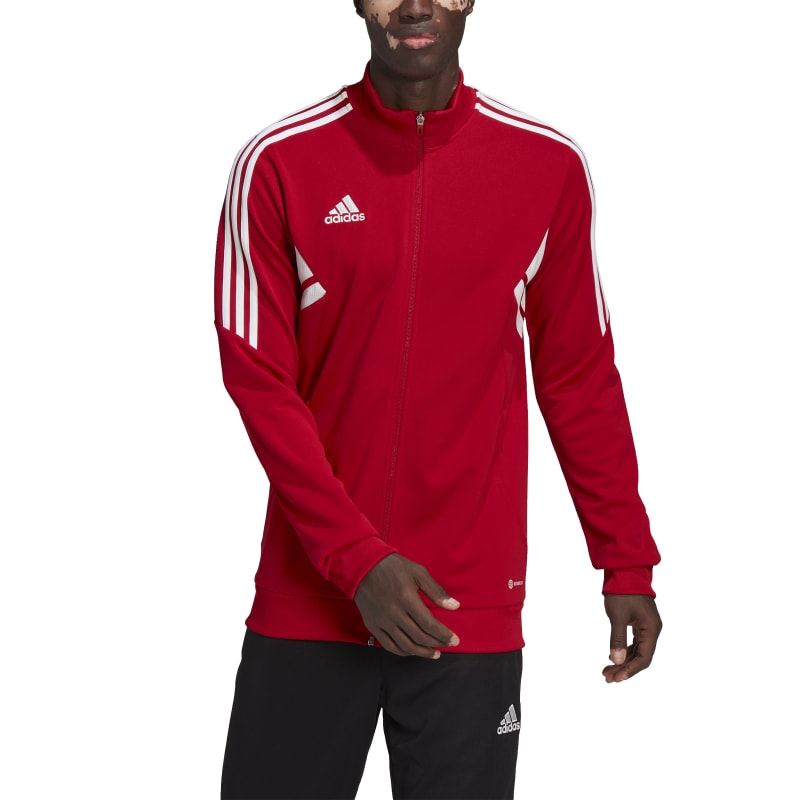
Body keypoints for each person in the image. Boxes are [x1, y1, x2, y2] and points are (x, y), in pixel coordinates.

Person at [214, 1, 662, 798]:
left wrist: (625, 557)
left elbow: (579, 378)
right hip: (312, 605)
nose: (416, 4)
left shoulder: (546, 166)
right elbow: (261, 384)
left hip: (468, 607)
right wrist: (358, 561)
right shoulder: (278, 163)